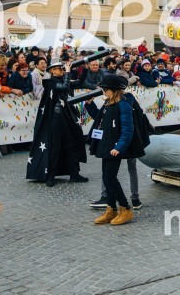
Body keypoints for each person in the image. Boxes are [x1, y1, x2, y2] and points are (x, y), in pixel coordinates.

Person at [89, 74, 146, 226]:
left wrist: (119, 147)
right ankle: (111, 209)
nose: (103, 92)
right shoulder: (108, 103)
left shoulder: (124, 104)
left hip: (115, 147)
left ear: (113, 90)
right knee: (106, 177)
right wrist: (89, 105)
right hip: (106, 145)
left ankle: (125, 208)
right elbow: (98, 118)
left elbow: (128, 129)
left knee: (109, 178)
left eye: (105, 89)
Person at [26, 58, 88, 186]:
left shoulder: (62, 79)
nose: (62, 70)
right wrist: (68, 72)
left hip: (67, 117)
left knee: (70, 146)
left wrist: (85, 68)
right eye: (59, 68)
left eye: (62, 68)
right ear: (53, 71)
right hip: (56, 118)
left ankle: (74, 174)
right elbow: (64, 86)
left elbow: (80, 82)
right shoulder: (49, 82)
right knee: (56, 147)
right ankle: (50, 176)